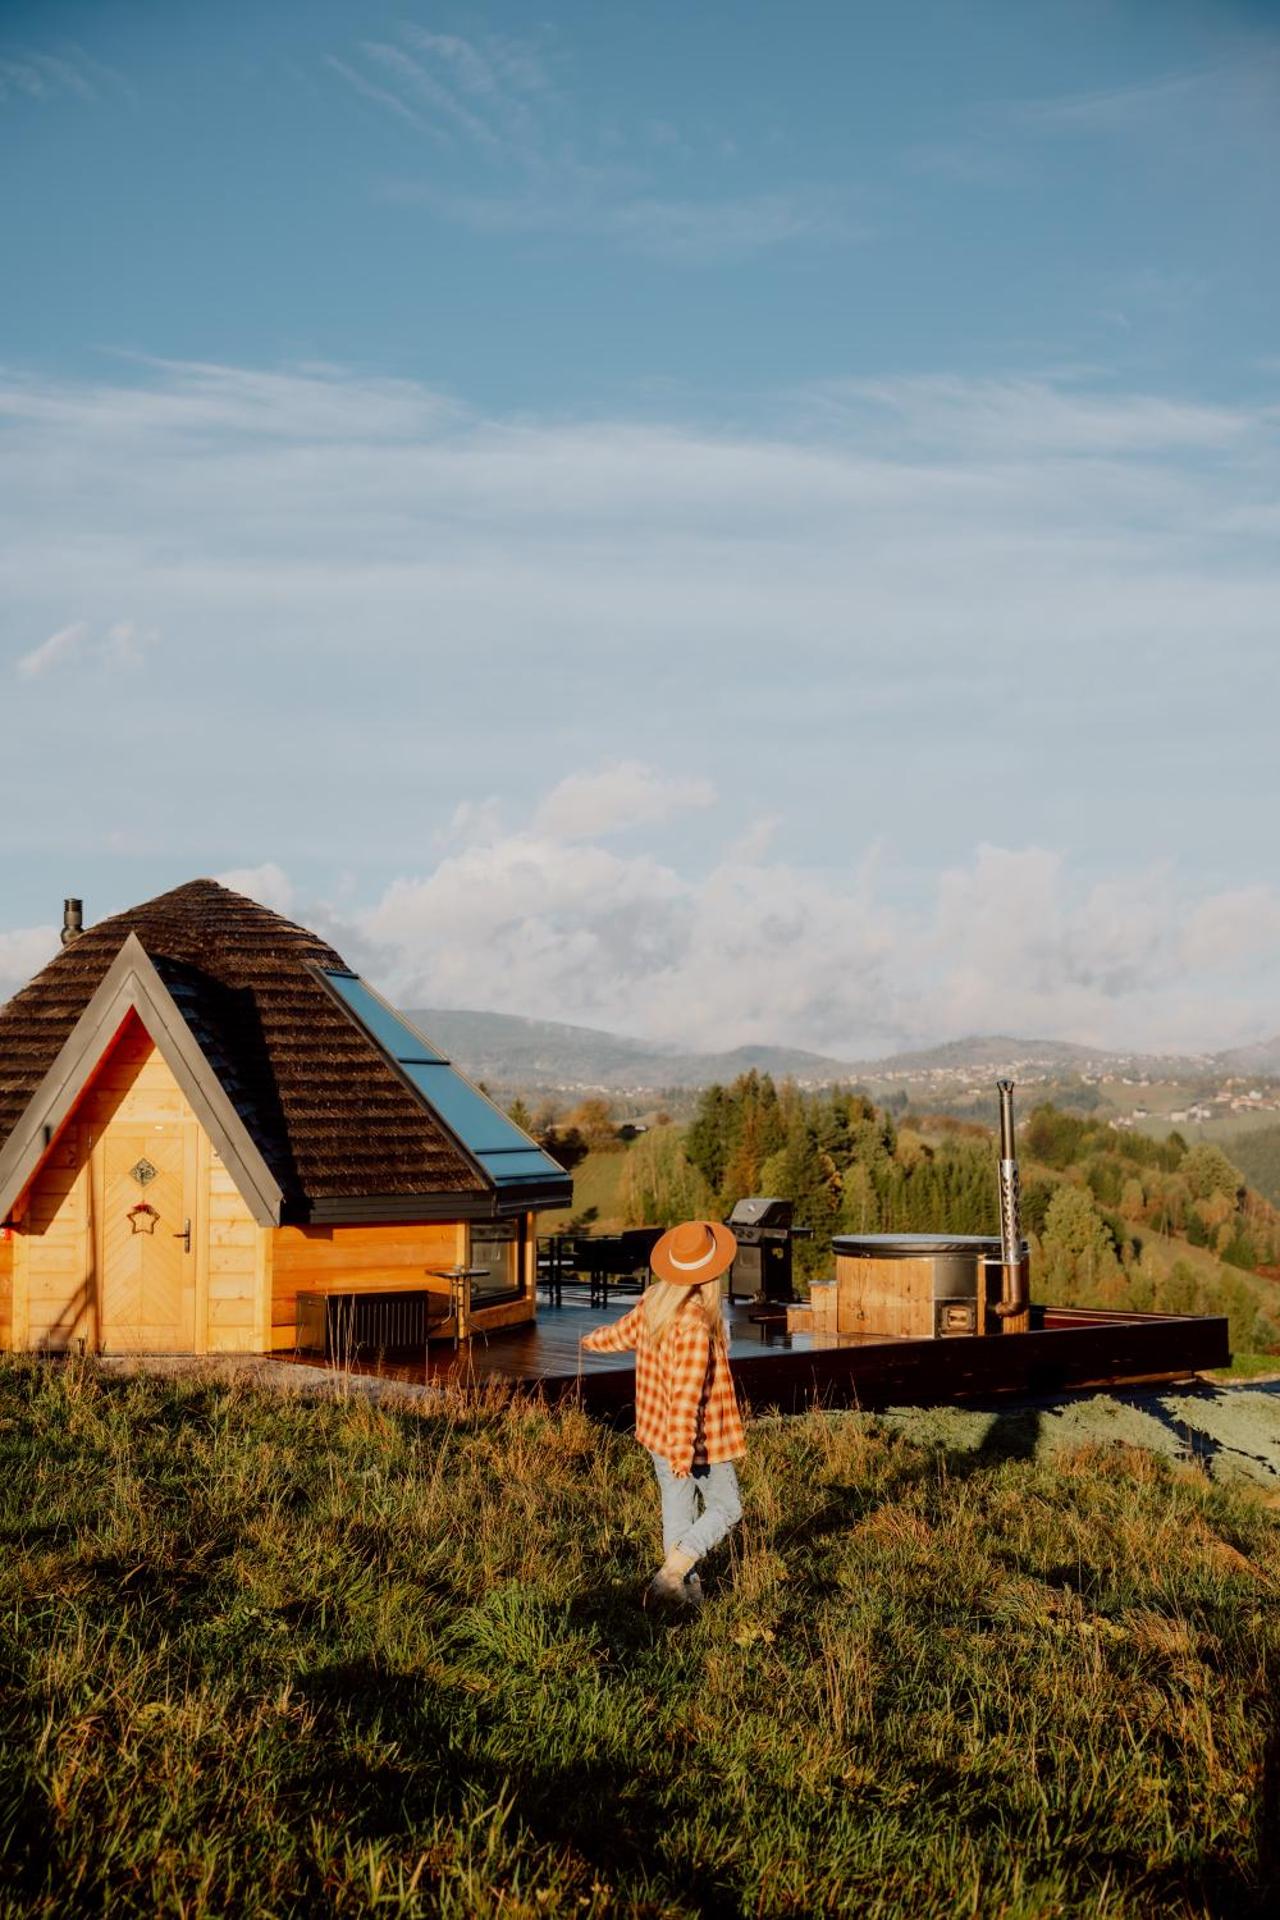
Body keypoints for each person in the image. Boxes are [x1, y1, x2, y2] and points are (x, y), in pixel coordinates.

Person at [581, 1218, 746, 1610]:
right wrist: (682, 1450)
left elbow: (619, 1335)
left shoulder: (655, 1300)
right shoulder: (694, 1324)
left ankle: (682, 1598)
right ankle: (673, 1572)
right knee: (727, 1508)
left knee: (677, 1509)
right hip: (697, 1439)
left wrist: (589, 1340)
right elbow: (686, 1397)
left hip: (657, 1432)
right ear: (712, 1272)